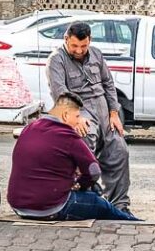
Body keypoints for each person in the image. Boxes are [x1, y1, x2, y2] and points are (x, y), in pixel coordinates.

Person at [8, 92, 139, 221]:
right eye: (77, 117)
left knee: (93, 190)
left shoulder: (29, 128)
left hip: (18, 205)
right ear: (65, 115)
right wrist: (81, 185)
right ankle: (133, 222)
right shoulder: (68, 135)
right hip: (50, 208)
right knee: (102, 205)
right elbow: (94, 171)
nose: (79, 122)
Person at [46, 22, 132, 212]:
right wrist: (75, 118)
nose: (79, 50)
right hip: (80, 111)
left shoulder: (96, 54)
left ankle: (120, 206)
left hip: (104, 111)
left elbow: (109, 84)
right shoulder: (56, 60)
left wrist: (114, 113)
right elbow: (60, 94)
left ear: (89, 41)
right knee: (85, 143)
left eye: (83, 46)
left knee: (120, 151)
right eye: (75, 46)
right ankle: (88, 199)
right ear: (66, 39)